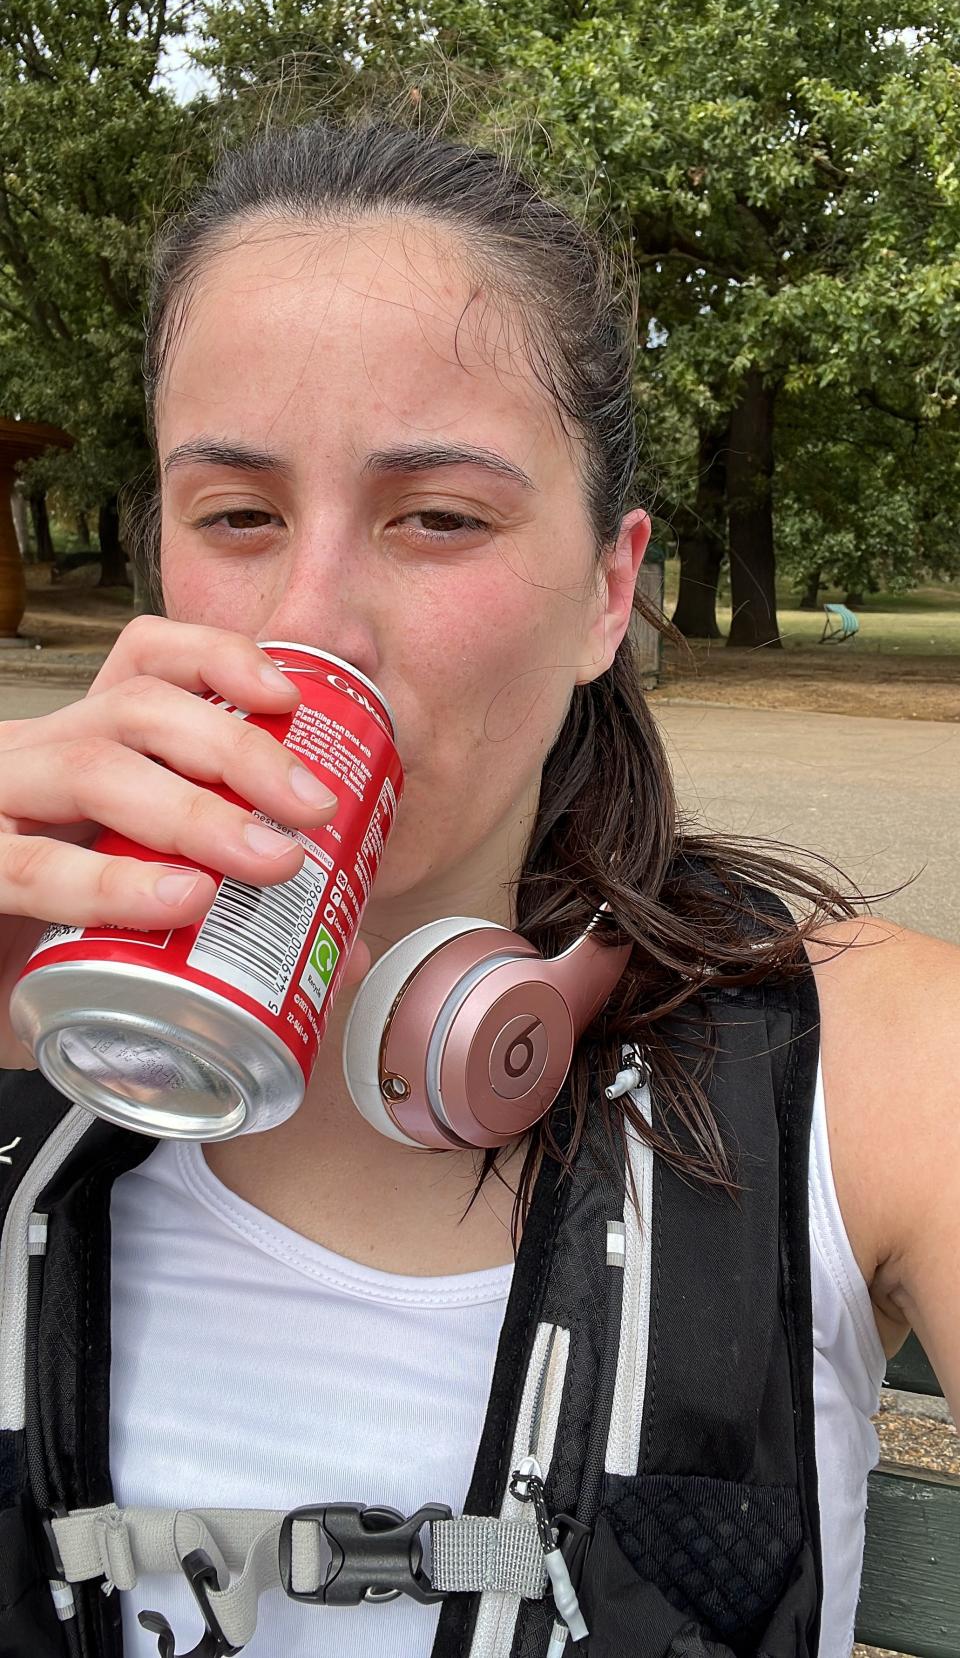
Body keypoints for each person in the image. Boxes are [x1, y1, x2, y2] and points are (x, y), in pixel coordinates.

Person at [0, 120, 956, 1658]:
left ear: (605, 590)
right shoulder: (24, 1019)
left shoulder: (874, 1059)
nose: (313, 619)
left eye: (437, 516)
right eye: (236, 515)